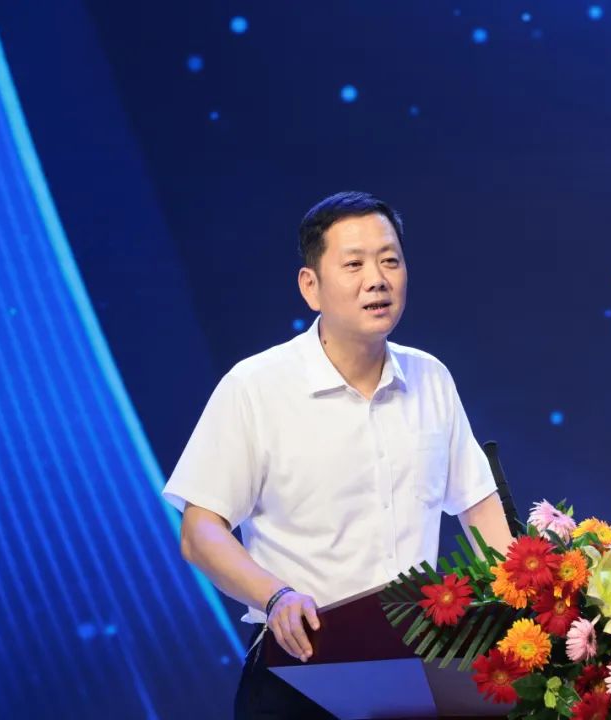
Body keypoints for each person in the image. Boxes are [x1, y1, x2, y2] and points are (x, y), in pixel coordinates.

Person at [162, 191, 515, 719]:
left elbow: (480, 507)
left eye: (389, 260)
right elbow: (200, 531)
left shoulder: (430, 377)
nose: (377, 279)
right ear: (311, 286)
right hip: (302, 665)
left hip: (414, 672)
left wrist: (530, 603)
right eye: (354, 265)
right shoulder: (256, 387)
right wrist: (276, 597)